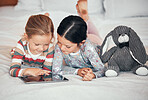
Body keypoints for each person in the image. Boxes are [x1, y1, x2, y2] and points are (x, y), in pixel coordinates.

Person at [52, 15, 105, 81]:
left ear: (81, 42)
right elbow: (56, 71)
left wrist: (94, 75)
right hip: (82, 40)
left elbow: (102, 69)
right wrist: (77, 71)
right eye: (59, 42)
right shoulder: (60, 45)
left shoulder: (88, 49)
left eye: (68, 46)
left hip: (95, 41)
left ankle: (86, 17)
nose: (62, 48)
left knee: (97, 37)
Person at [10, 14, 55, 79]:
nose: (41, 49)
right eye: (37, 44)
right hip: (24, 57)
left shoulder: (50, 48)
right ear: (27, 37)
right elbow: (13, 71)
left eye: (46, 44)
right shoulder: (22, 45)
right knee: (14, 52)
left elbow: (47, 71)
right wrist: (26, 71)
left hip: (36, 62)